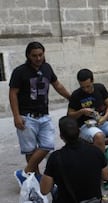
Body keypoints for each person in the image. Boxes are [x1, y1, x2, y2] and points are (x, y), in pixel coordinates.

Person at [9, 41, 71, 186]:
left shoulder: (47, 68)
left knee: (48, 144)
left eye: (40, 55)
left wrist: (71, 97)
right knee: (30, 150)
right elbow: (13, 94)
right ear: (28, 56)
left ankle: (24, 172)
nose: (38, 58)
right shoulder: (20, 71)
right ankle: (34, 176)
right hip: (26, 117)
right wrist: (16, 116)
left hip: (44, 115)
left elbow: (57, 85)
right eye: (34, 56)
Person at [40, 116, 108, 203]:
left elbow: (44, 190)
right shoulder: (96, 151)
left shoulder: (55, 157)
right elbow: (106, 177)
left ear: (61, 136)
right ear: (79, 132)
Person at [68, 69, 108, 152]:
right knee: (99, 136)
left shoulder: (99, 88)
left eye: (88, 86)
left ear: (92, 81)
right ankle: (102, 162)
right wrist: (81, 111)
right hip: (85, 126)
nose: (86, 89)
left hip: (102, 122)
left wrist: (105, 117)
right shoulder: (76, 95)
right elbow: (70, 115)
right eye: (82, 87)